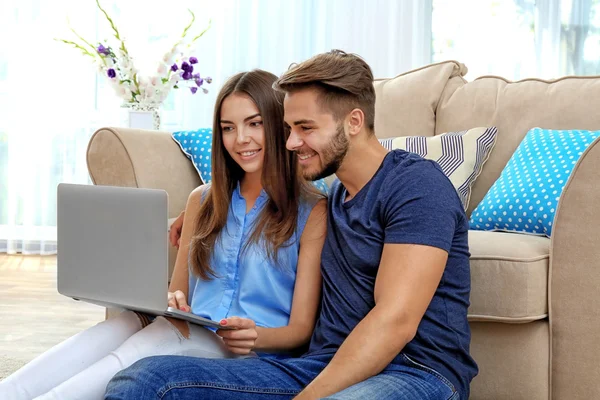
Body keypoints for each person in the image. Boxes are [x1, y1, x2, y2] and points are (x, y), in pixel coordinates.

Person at [105, 50, 479, 400]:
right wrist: (205, 214)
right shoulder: (331, 198)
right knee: (147, 380)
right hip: (317, 365)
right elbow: (275, 201)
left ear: (353, 122)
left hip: (412, 372)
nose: (291, 142)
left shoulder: (416, 186)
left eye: (304, 128)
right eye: (287, 128)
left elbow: (394, 321)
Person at [0, 69, 327, 400]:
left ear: (277, 124)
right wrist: (174, 301)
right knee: (111, 331)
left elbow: (301, 331)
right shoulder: (202, 200)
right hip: (192, 328)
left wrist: (256, 336)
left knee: (144, 346)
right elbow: (177, 293)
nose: (240, 138)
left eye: (254, 123)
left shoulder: (312, 211)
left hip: (251, 355)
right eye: (228, 128)